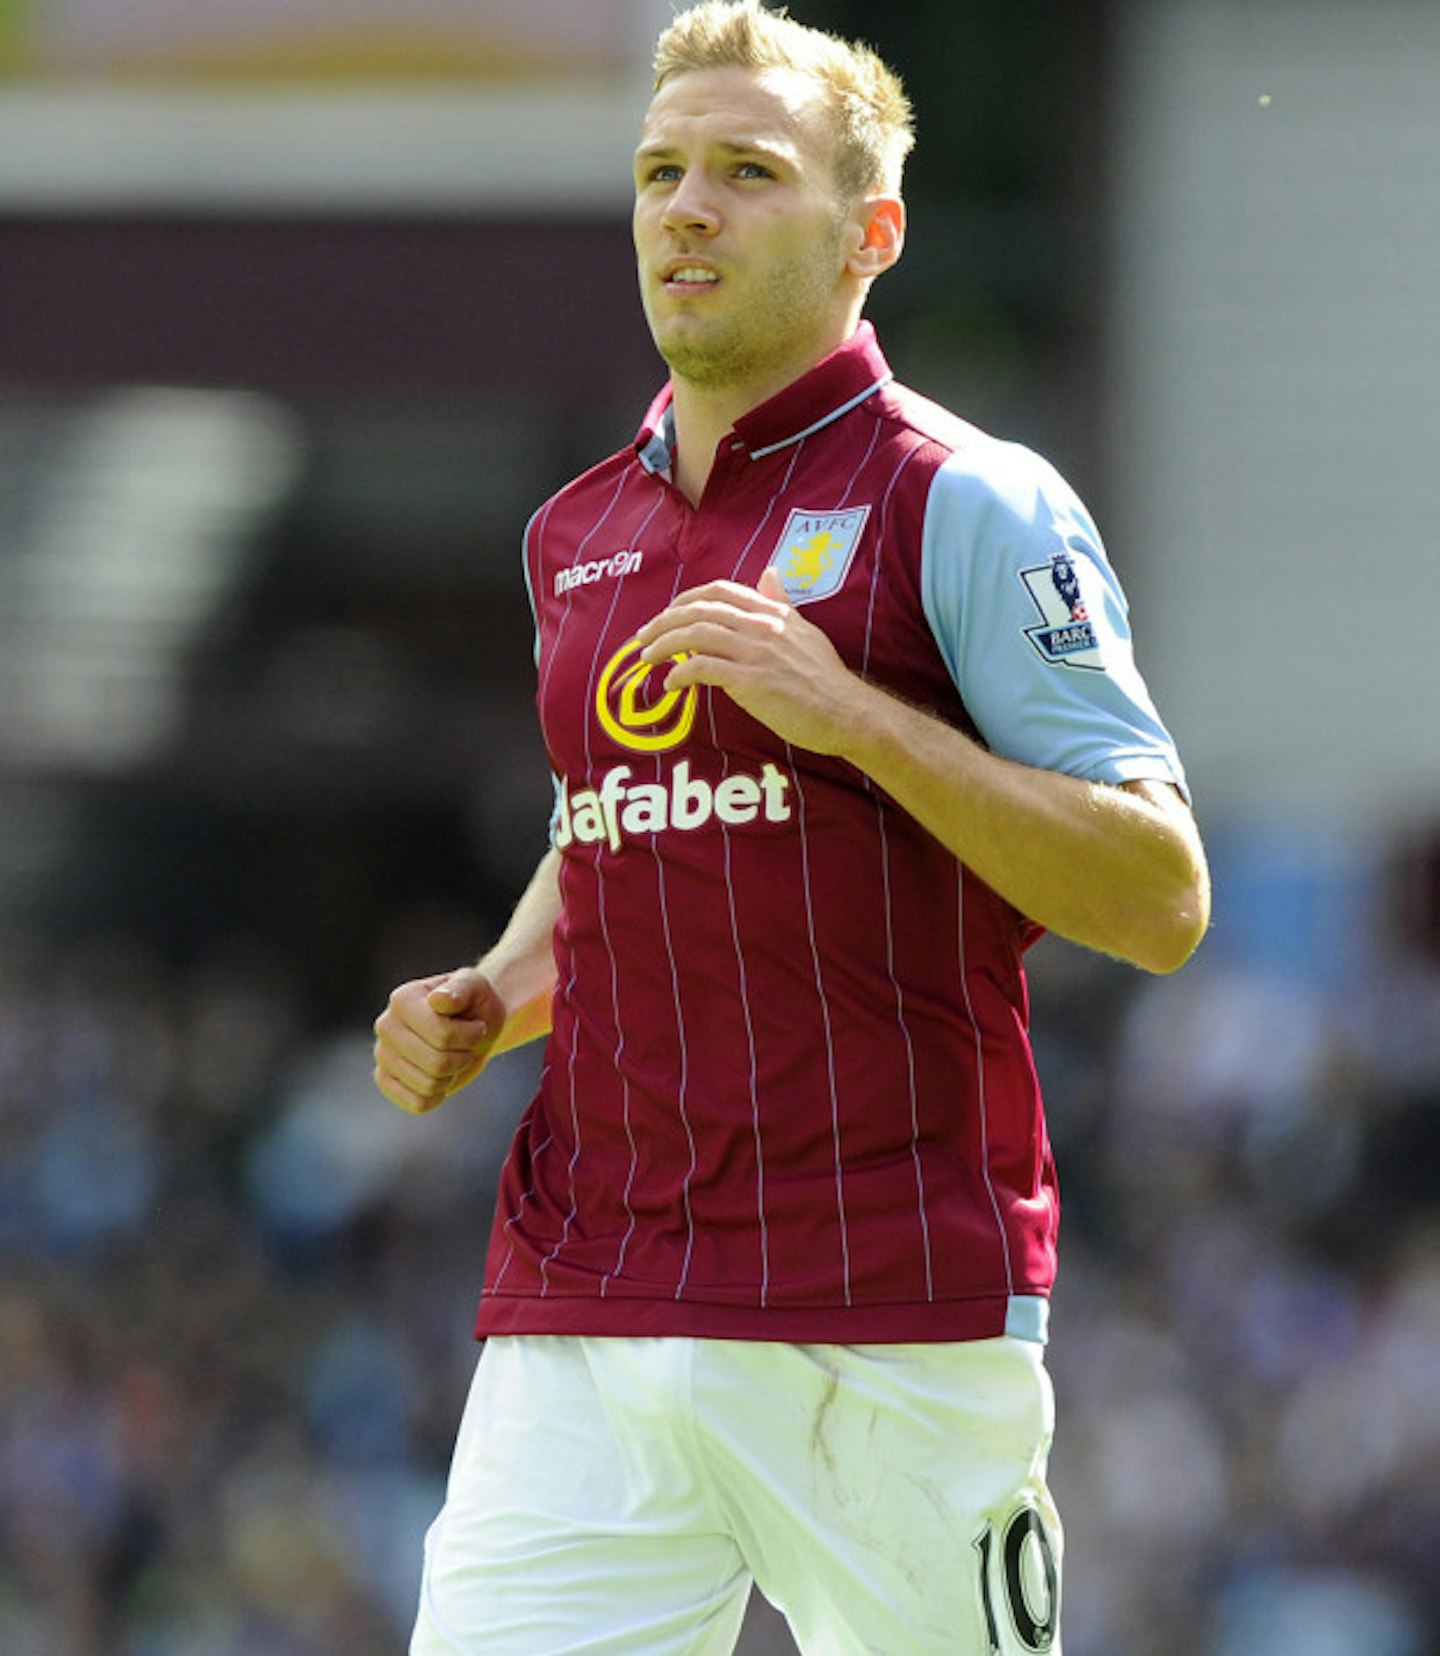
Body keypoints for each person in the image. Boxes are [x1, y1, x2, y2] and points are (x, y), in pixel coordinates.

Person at [373, 4, 1210, 1652]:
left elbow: (1160, 894)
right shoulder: (575, 534)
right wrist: (495, 990)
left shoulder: (968, 499)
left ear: (869, 232)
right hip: (588, 1299)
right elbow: (612, 829)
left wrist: (853, 717)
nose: (688, 208)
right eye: (662, 172)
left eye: (749, 172)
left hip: (883, 1315)